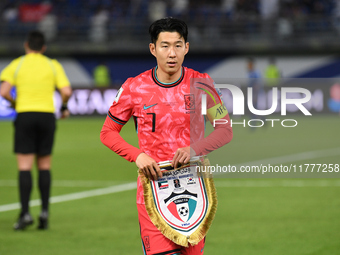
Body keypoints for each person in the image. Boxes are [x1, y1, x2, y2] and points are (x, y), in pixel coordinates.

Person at [100, 17, 232, 254]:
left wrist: (195, 150)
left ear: (187, 47)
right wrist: (137, 155)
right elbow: (108, 132)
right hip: (153, 192)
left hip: (195, 193)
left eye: (178, 45)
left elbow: (225, 129)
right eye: (165, 46)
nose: (172, 53)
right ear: (153, 49)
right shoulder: (134, 88)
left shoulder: (204, 84)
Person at [0, 31, 72, 230]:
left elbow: (3, 91)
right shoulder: (52, 64)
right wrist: (64, 107)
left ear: (26, 45)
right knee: (44, 165)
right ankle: (44, 212)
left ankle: (24, 214)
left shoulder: (18, 63)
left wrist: (14, 103)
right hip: (46, 116)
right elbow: (66, 91)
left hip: (25, 115)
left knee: (24, 166)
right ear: (43, 48)